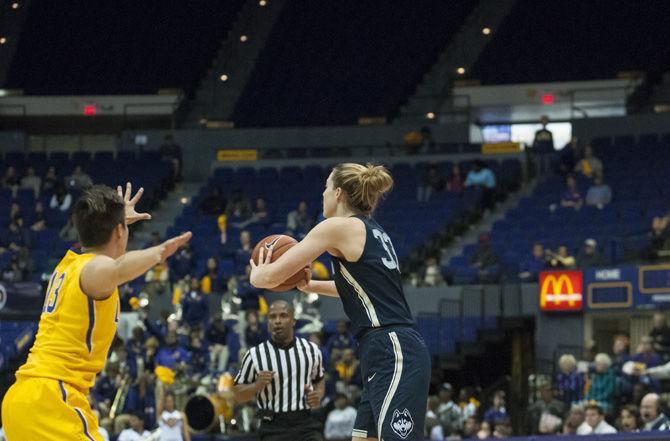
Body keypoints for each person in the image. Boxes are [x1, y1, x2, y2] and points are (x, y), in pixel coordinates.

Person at [249, 163, 431, 441]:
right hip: (386, 346)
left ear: (337, 194)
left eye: (324, 188)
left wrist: (257, 275)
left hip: (392, 347)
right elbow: (359, 290)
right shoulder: (372, 230)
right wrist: (310, 285)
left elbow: (272, 276)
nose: (321, 195)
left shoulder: (336, 227)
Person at [2, 183, 192, 440]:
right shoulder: (94, 269)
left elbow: (105, 253)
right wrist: (157, 253)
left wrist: (116, 222)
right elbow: (116, 268)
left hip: (24, 397)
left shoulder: (67, 266)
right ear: (119, 232)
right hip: (51, 399)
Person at [233, 300, 325, 441]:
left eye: (283, 316)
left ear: (293, 321)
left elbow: (319, 379)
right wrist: (256, 385)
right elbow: (238, 395)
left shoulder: (311, 350)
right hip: (272, 426)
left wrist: (317, 395)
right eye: (272, 317)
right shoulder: (254, 355)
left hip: (305, 423)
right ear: (268, 323)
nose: (277, 321)